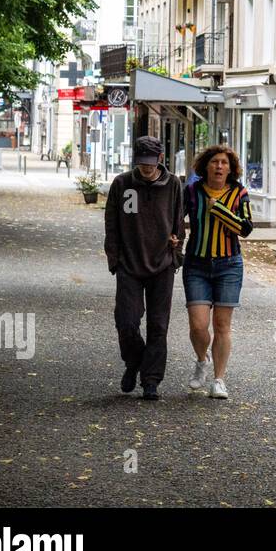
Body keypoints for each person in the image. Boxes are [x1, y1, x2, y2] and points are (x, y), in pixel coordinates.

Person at [104, 135, 184, 400]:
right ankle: (134, 361)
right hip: (129, 265)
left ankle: (151, 381)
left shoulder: (173, 185)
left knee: (158, 326)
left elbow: (178, 224)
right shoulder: (122, 184)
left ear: (160, 159)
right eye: (141, 163)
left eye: (150, 162)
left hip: (162, 265)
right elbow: (111, 223)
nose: (146, 168)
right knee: (126, 322)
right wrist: (114, 259)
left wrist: (176, 252)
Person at [181, 144, 253, 399]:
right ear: (206, 166)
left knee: (222, 325)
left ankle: (219, 379)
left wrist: (219, 209)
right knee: (198, 325)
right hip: (196, 264)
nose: (219, 167)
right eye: (215, 162)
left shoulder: (239, 193)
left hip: (229, 265)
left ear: (231, 168)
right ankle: (202, 359)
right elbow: (177, 219)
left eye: (224, 163)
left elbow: (245, 228)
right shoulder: (191, 190)